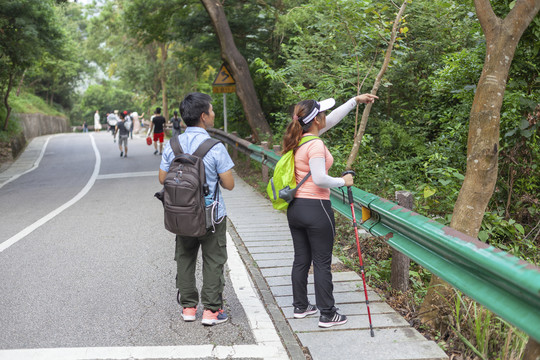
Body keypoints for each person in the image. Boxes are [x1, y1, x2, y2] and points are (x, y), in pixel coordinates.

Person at [284, 93, 378, 328]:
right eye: (323, 114)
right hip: (316, 208)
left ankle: (301, 306)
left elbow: (333, 119)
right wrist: (342, 181)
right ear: (316, 120)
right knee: (323, 262)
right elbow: (319, 179)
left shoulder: (300, 139)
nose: (326, 117)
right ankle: (327, 313)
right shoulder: (315, 144)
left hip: (295, 209)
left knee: (301, 259)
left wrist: (355, 101)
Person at [158, 92, 235, 326]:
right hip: (211, 215)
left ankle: (188, 308)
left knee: (185, 257)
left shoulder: (173, 144)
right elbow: (229, 185)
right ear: (203, 116)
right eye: (211, 111)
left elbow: (162, 179)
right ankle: (212, 311)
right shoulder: (215, 146)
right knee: (213, 259)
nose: (213, 114)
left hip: (181, 214)